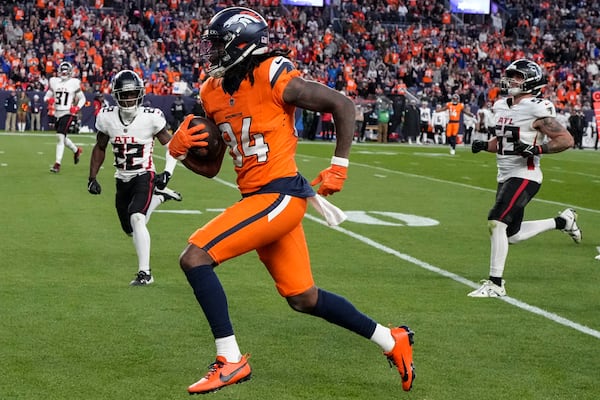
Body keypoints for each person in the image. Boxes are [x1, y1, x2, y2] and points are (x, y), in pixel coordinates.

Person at [167, 7, 414, 395]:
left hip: (279, 193)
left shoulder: (272, 72)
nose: (210, 54)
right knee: (303, 298)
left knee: (195, 257)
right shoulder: (211, 91)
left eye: (217, 45)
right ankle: (391, 338)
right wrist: (179, 150)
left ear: (241, 42)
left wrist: (339, 166)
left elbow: (343, 106)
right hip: (260, 197)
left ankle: (230, 360)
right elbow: (212, 167)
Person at [468, 59, 582, 298]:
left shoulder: (536, 107)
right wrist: (484, 145)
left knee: (496, 221)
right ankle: (562, 222)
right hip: (505, 173)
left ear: (529, 80)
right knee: (511, 234)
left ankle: (495, 284)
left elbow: (566, 139)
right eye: (510, 75)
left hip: (526, 174)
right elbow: (504, 142)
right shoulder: (501, 105)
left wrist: (537, 150)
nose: (510, 80)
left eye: (516, 76)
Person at [87, 69, 183, 286]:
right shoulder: (106, 117)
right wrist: (92, 177)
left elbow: (172, 147)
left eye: (133, 94)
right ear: (116, 94)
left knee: (137, 218)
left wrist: (167, 172)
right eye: (125, 94)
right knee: (130, 229)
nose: (129, 99)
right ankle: (159, 198)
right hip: (121, 178)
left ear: (140, 94)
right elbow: (100, 147)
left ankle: (145, 273)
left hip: (144, 174)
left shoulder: (151, 117)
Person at [43, 61, 85, 173]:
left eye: (66, 72)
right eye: (63, 72)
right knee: (63, 138)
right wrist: (49, 100)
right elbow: (46, 96)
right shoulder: (54, 81)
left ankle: (57, 164)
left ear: (70, 72)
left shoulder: (74, 83)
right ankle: (76, 150)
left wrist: (77, 108)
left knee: (60, 137)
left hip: (68, 112)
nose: (64, 74)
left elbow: (83, 98)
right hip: (57, 113)